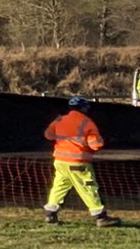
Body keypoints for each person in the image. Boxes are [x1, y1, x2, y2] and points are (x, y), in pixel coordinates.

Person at [43, 97, 122, 226]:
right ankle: (100, 217)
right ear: (84, 108)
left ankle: (50, 214)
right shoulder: (87, 123)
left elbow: (48, 135)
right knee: (89, 187)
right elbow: (95, 144)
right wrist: (101, 141)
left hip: (60, 161)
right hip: (78, 162)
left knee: (59, 187)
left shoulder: (59, 119)